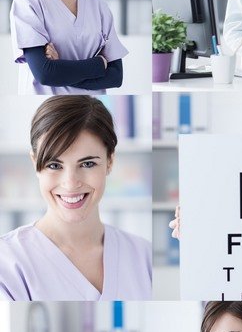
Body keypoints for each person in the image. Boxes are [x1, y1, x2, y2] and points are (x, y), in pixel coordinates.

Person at [0, 98, 150, 303]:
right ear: (35, 163)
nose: (70, 184)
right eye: (54, 165)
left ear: (110, 162)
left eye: (87, 164)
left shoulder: (144, 256)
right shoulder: (7, 262)